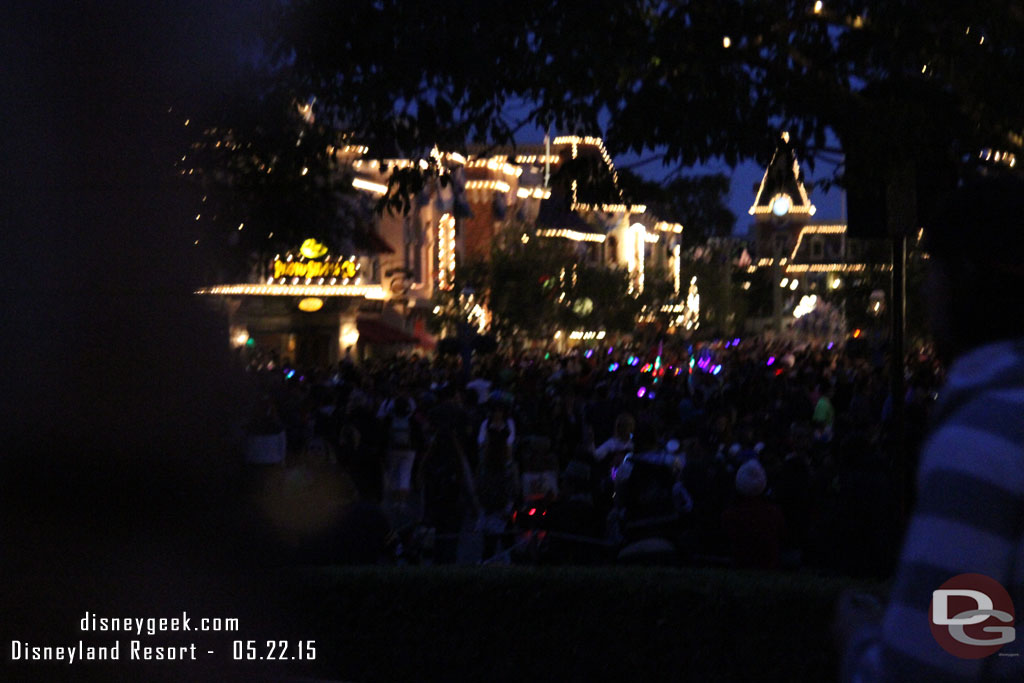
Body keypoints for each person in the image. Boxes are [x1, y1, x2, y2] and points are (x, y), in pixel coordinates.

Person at [839, 171, 1024, 681]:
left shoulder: (984, 440)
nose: (924, 289)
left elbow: (926, 670)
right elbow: (995, 635)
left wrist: (859, 637)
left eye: (932, 270)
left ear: (964, 276)